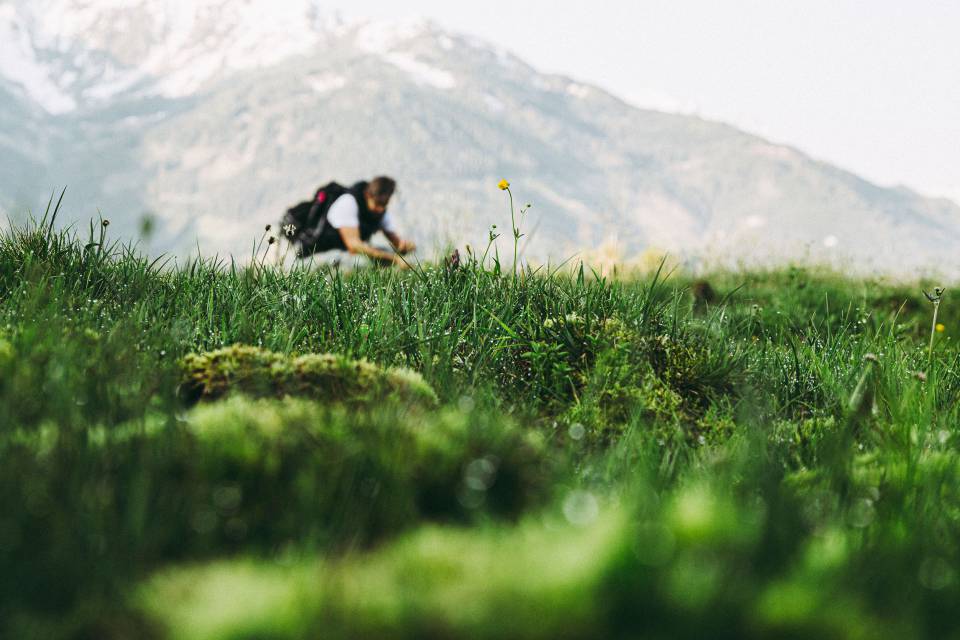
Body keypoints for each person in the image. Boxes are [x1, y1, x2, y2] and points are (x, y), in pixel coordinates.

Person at [288, 176, 416, 268]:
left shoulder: (381, 213)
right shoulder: (348, 203)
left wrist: (405, 247)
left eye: (384, 204)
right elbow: (354, 246)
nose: (380, 209)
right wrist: (394, 259)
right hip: (315, 255)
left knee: (381, 255)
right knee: (362, 261)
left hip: (342, 254)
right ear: (368, 195)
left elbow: (396, 243)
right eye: (377, 204)